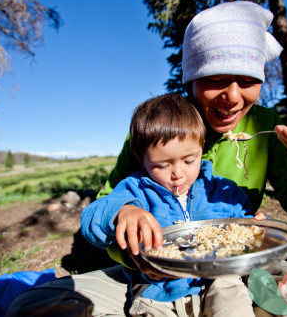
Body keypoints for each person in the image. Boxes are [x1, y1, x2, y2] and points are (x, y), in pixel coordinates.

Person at [7, 1, 287, 316]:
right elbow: (109, 201)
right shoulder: (161, 129)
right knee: (32, 305)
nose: (232, 97)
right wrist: (129, 241)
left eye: (247, 81)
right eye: (215, 79)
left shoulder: (268, 129)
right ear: (191, 78)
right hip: (154, 283)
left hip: (239, 274)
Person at [81, 93, 265, 316]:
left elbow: (242, 225)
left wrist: (255, 227)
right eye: (161, 165)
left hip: (217, 280)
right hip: (156, 290)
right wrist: (124, 211)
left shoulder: (220, 191)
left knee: (233, 300)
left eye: (189, 160)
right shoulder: (134, 190)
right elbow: (91, 223)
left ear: (201, 147)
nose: (178, 174)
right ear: (142, 160)